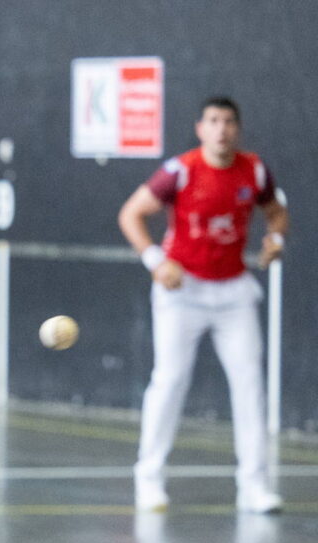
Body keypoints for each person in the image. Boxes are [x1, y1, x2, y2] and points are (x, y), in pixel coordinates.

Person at [118, 96, 288, 513]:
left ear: (238, 129)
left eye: (229, 121)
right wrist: (156, 261)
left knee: (250, 385)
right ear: (200, 128)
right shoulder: (180, 170)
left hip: (234, 293)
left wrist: (276, 240)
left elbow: (276, 212)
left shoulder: (255, 170)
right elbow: (131, 214)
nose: (221, 129)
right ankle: (149, 479)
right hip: (182, 293)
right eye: (213, 121)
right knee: (170, 380)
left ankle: (253, 487)